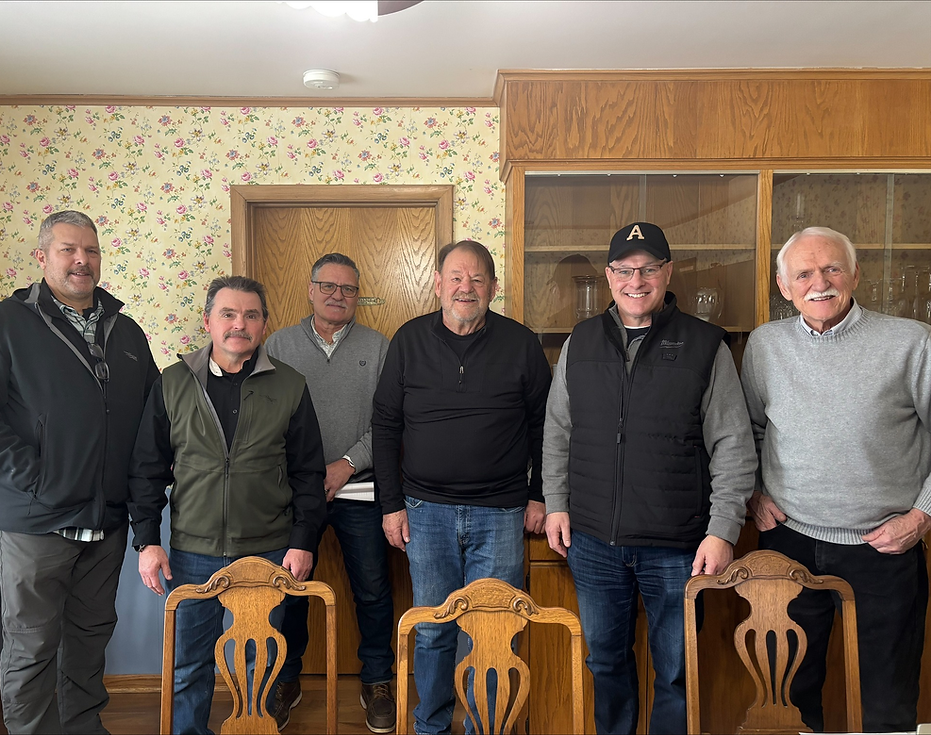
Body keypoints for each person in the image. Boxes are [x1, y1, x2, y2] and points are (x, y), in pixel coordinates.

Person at [542, 222, 757, 735]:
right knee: (605, 663)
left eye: (648, 268)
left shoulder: (707, 345)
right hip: (593, 540)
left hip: (678, 546)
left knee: (678, 672)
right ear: (609, 275)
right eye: (624, 269)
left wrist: (723, 529)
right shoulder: (581, 341)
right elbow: (557, 431)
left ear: (667, 272)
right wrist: (555, 502)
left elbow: (733, 444)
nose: (635, 280)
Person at [0, 210, 159, 734]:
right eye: (68, 249)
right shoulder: (2, 322)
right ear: (42, 257)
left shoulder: (127, 331)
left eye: (90, 250)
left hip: (107, 520)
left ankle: (83, 727)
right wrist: (38, 478)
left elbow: (152, 416)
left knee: (89, 639)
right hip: (34, 521)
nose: (81, 260)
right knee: (32, 646)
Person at [742, 226, 930, 733]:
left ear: (855, 275)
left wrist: (923, 514)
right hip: (787, 544)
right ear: (784, 286)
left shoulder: (911, 341)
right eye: (803, 273)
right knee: (789, 696)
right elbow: (750, 431)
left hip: (884, 548)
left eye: (831, 269)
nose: (818, 283)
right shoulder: (764, 345)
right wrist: (754, 493)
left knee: (887, 698)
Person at [127, 275, 326, 735]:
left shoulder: (291, 386)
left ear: (264, 324)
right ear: (208, 321)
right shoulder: (172, 383)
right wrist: (146, 542)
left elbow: (308, 474)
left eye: (251, 315)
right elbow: (146, 469)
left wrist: (303, 541)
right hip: (192, 553)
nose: (240, 324)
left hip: (268, 550)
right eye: (229, 314)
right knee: (188, 665)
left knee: (259, 663)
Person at [372, 239, 551, 735]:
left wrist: (542, 496)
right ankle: (430, 725)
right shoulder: (408, 340)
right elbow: (385, 426)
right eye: (455, 277)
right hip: (424, 511)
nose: (465, 288)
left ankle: (485, 726)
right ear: (438, 285)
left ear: (494, 287)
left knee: (491, 633)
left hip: (502, 511)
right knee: (432, 629)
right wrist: (391, 505)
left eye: (476, 279)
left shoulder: (521, 343)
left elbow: (546, 427)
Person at [264, 253, 395, 733]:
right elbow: (264, 415)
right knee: (289, 589)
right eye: (328, 285)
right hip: (295, 494)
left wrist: (345, 464)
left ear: (358, 295)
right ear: (310, 288)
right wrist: (305, 473)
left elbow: (390, 422)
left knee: (374, 590)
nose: (338, 295)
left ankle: (378, 680)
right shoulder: (275, 344)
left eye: (348, 288)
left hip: (361, 489)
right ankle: (285, 679)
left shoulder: (380, 348)